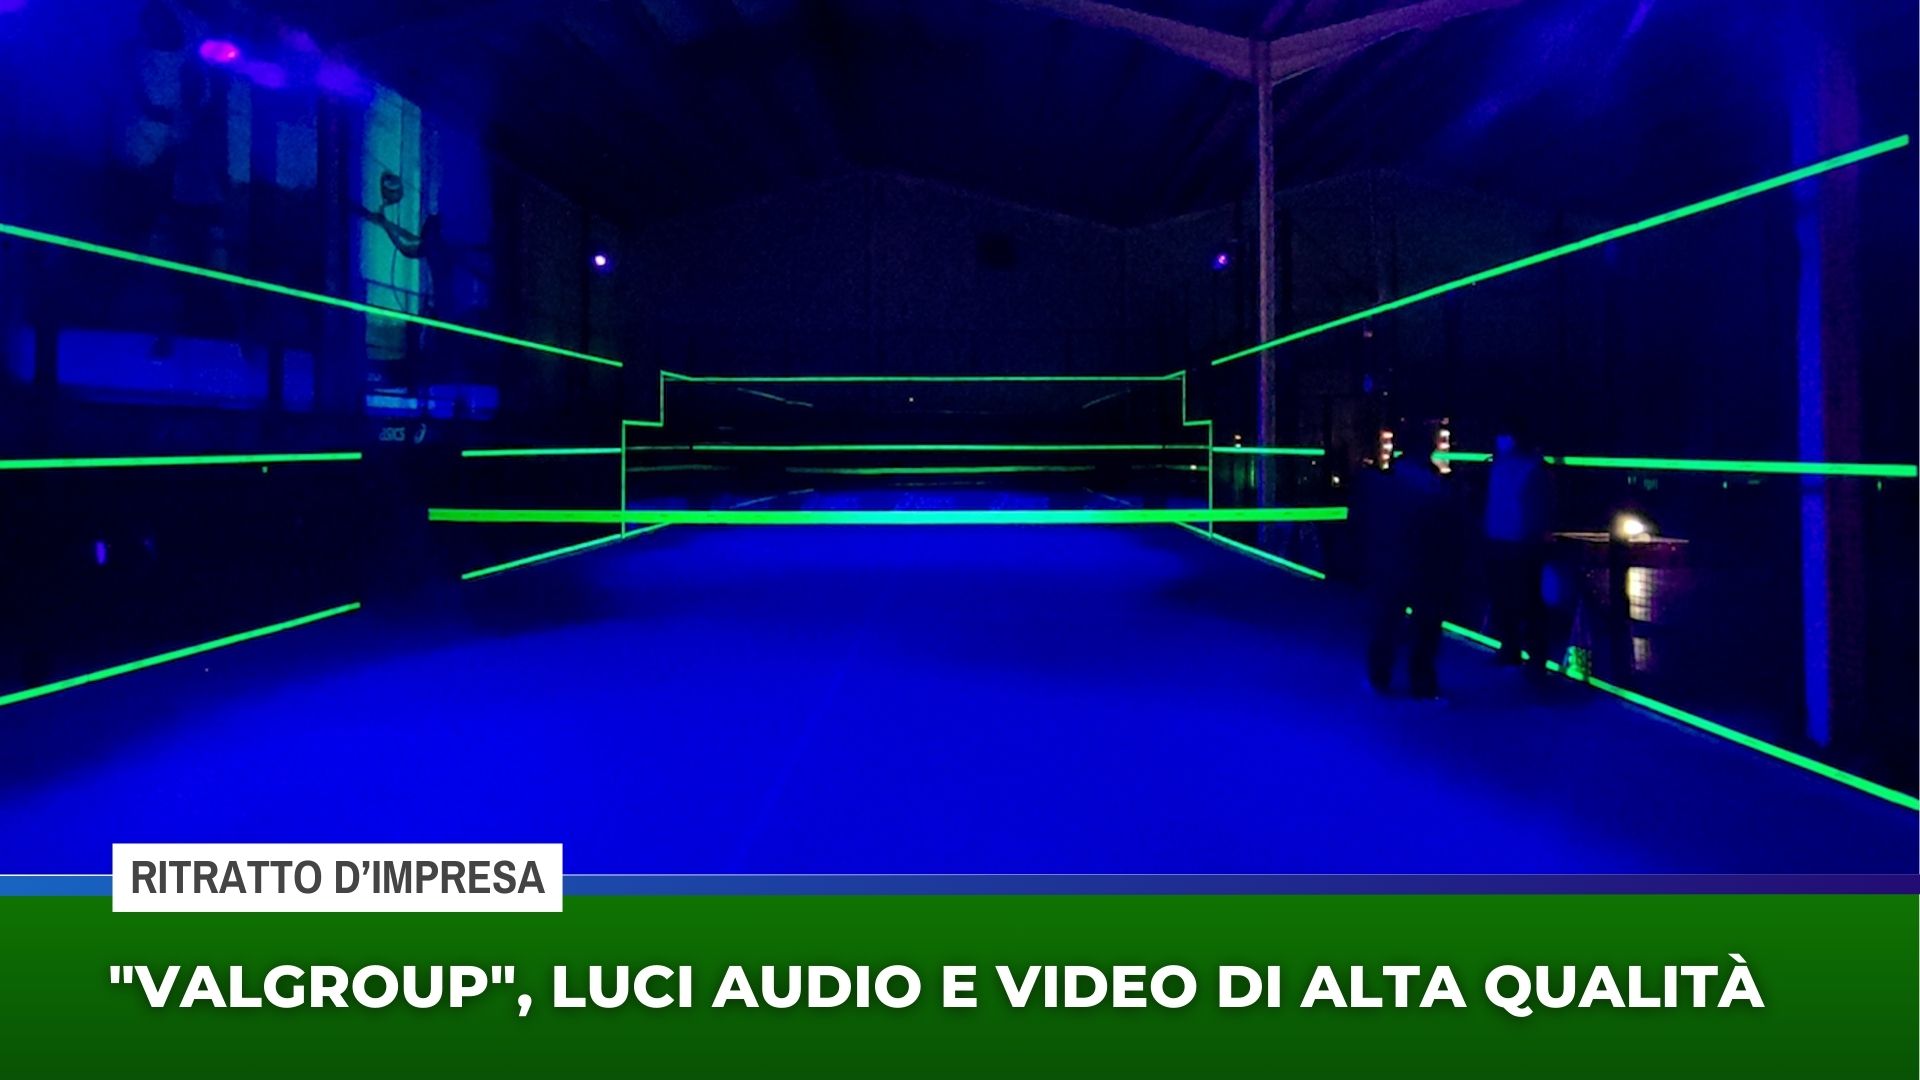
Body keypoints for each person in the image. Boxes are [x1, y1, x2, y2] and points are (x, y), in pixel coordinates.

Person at [1358, 450, 1468, 699]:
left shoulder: (1386, 488)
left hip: (1392, 564)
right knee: (1425, 627)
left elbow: (1370, 525)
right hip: (1426, 566)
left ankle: (1379, 677)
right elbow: (1450, 532)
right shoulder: (1437, 492)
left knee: (1387, 622)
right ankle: (1421, 683)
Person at [1483, 424, 1555, 671]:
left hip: (1502, 538)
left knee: (1508, 598)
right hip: (1520, 541)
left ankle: (1514, 649)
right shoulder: (1534, 468)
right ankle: (1531, 655)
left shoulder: (1500, 466)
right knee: (1528, 600)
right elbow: (1540, 508)